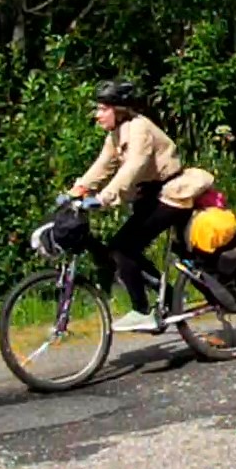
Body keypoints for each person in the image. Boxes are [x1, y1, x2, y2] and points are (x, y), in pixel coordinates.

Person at [67, 81, 188, 333]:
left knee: (123, 249)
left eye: (103, 108)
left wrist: (105, 197)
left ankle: (142, 311)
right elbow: (103, 165)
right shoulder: (116, 133)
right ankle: (170, 298)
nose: (97, 115)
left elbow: (134, 166)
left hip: (172, 195)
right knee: (120, 248)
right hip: (151, 197)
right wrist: (77, 190)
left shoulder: (139, 128)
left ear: (119, 109)